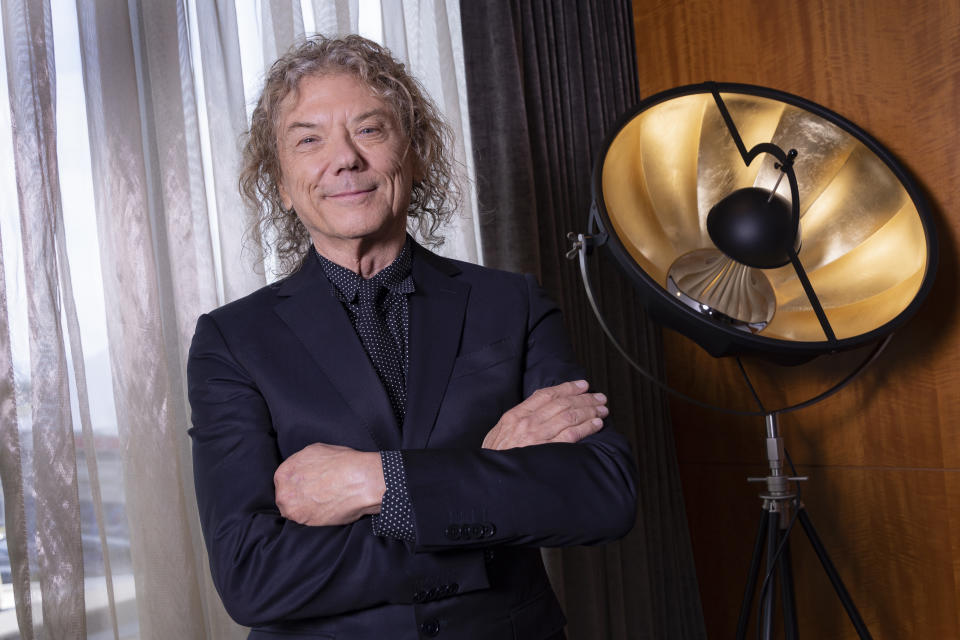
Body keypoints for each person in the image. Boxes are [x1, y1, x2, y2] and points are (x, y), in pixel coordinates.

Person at [187, 34, 637, 640]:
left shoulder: (512, 303)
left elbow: (603, 494)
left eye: (369, 130)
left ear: (416, 153)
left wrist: (379, 482)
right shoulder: (232, 340)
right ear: (282, 183)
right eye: (308, 140)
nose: (344, 158)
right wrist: (487, 478)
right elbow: (253, 577)